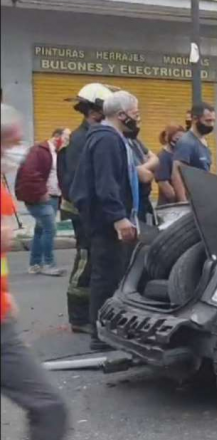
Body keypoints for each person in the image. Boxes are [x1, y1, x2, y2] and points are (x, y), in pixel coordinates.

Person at [1, 103, 70, 440]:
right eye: (8, 142)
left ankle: (40, 262)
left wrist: (3, 294)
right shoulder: (41, 153)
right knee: (47, 407)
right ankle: (41, 261)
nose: (15, 150)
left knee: (48, 408)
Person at [69, 91, 142, 351]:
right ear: (122, 115)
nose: (138, 117)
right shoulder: (107, 140)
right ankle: (101, 337)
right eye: (135, 113)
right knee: (107, 278)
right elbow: (106, 183)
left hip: (106, 220)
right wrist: (119, 219)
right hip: (106, 223)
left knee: (112, 275)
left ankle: (108, 331)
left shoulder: (111, 138)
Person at [57, 83, 116, 334]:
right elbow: (77, 181)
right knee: (85, 259)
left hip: (89, 209)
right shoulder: (80, 140)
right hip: (82, 211)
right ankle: (79, 316)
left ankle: (92, 311)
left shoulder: (90, 136)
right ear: (95, 111)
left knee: (95, 260)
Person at [15, 128, 70, 276]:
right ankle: (48, 264)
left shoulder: (58, 153)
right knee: (50, 229)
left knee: (40, 230)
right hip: (40, 198)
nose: (67, 141)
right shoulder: (39, 151)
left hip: (53, 197)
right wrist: (41, 193)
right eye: (66, 137)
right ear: (56, 136)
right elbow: (29, 173)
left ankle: (35, 264)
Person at [172, 102, 217, 202]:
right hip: (191, 200)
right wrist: (183, 202)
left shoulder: (203, 141)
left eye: (213, 121)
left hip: (201, 197)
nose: (211, 125)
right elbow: (176, 174)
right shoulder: (186, 142)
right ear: (195, 119)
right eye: (208, 121)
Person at [156, 125, 185, 205]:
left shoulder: (179, 155)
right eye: (177, 139)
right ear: (168, 138)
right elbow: (164, 185)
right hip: (169, 207)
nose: (180, 142)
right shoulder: (163, 157)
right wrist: (179, 200)